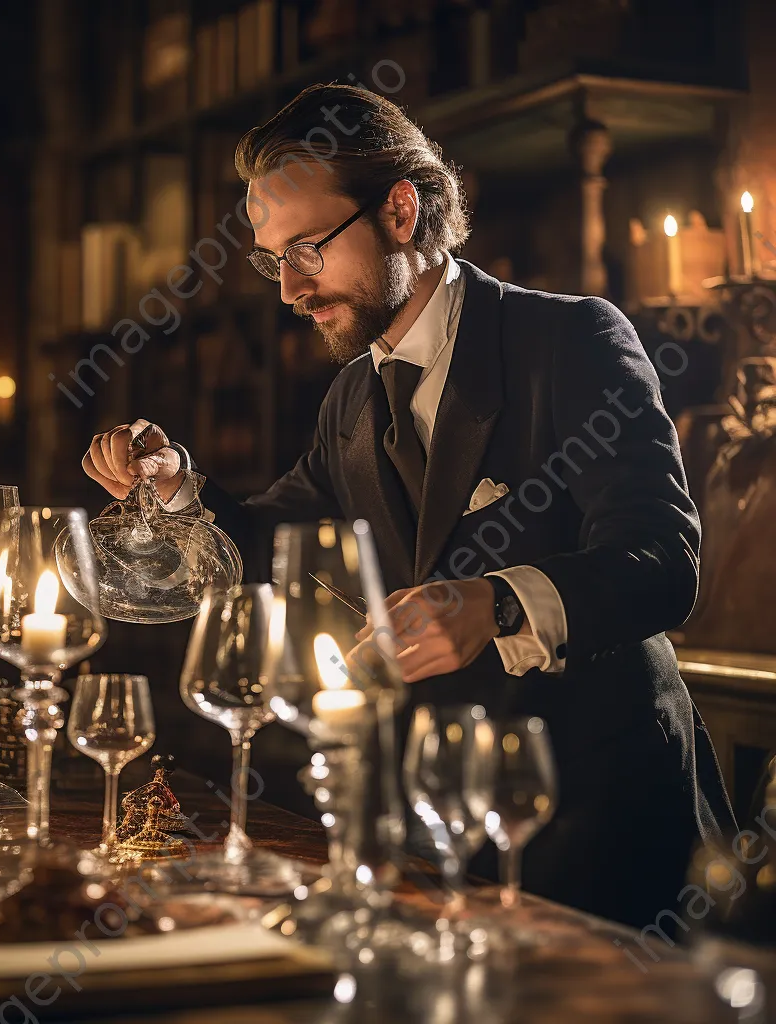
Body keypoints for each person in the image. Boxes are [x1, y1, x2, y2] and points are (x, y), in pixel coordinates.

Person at [83, 83, 734, 928]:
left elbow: (661, 566)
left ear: (399, 210)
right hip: (432, 834)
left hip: (603, 831)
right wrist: (174, 486)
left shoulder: (572, 341)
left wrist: (497, 601)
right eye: (271, 258)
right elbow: (276, 545)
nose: (288, 289)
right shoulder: (351, 397)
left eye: (307, 248)